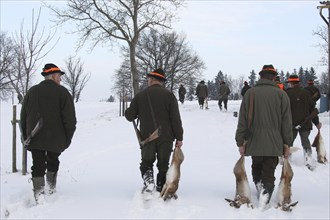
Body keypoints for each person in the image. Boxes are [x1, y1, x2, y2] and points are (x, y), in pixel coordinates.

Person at [235, 64, 293, 209]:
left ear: (261, 76)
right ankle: (265, 193)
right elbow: (286, 122)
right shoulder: (281, 95)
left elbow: (242, 119)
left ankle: (259, 186)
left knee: (256, 165)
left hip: (254, 140)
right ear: (273, 77)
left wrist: (240, 141)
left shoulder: (250, 93)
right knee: (269, 169)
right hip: (274, 141)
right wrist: (287, 143)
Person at [20, 63, 77, 204]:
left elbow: (23, 116)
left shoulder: (32, 92)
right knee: (53, 161)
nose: (60, 79)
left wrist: (25, 137)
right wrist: (67, 139)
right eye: (59, 76)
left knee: (37, 164)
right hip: (56, 139)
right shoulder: (63, 93)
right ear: (53, 76)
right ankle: (51, 189)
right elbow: (70, 119)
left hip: (34, 137)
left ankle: (39, 194)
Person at [125, 68, 184, 194]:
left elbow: (130, 116)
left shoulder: (140, 96)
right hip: (166, 137)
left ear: (151, 80)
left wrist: (128, 110)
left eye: (148, 80)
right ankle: (161, 185)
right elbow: (176, 119)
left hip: (147, 138)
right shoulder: (169, 96)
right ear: (161, 82)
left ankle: (149, 182)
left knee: (146, 162)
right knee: (163, 164)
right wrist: (179, 137)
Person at [286, 75, 322, 170]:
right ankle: (308, 159)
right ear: (298, 82)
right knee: (305, 142)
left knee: (289, 142)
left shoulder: (286, 94)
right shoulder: (307, 93)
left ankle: (287, 160)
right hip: (305, 123)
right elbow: (312, 110)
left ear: (290, 83)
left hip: (291, 125)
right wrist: (317, 123)